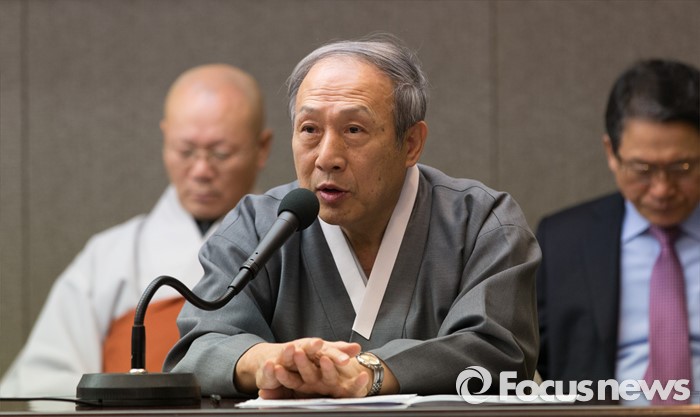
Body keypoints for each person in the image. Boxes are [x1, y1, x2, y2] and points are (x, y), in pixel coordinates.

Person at [164, 34, 540, 399]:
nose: (327, 157)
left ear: (411, 143)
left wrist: (368, 372)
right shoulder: (256, 225)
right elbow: (197, 348)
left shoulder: (482, 223)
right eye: (310, 129)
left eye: (354, 130)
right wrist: (270, 362)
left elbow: (499, 350)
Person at [0, 64, 273, 397]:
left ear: (262, 148)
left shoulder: (292, 248)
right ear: (165, 137)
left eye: (221, 153)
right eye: (185, 151)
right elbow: (44, 382)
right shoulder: (108, 255)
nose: (201, 170)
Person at [536, 59, 699, 403]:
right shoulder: (563, 241)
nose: (662, 189)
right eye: (642, 169)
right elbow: (540, 364)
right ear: (612, 153)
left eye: (681, 167)